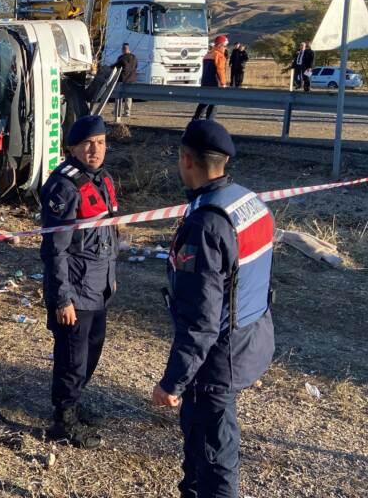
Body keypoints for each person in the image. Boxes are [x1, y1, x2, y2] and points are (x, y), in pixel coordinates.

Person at [151, 120, 275, 498]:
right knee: (201, 439)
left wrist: (173, 381)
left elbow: (201, 321)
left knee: (215, 455)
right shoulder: (249, 202)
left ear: (187, 160)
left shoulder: (206, 224)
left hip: (219, 358)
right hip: (253, 336)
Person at [40, 115, 119, 450]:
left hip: (99, 286)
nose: (94, 149)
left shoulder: (101, 179)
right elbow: (54, 250)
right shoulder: (64, 187)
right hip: (75, 289)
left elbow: (109, 232)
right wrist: (62, 299)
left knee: (92, 349)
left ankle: (74, 402)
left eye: (100, 142)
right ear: (72, 147)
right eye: (87, 143)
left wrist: (111, 280)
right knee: (72, 355)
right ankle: (63, 420)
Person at [193, 35, 229, 121]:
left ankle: (195, 120)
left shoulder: (208, 54)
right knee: (214, 103)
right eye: (225, 45)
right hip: (215, 83)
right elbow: (220, 71)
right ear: (220, 45)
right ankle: (209, 121)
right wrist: (223, 83)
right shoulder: (219, 56)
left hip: (205, 82)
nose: (225, 48)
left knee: (203, 102)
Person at [112, 42, 138, 118]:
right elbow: (136, 66)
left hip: (122, 79)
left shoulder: (121, 58)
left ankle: (117, 111)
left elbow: (115, 67)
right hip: (132, 79)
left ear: (123, 49)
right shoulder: (134, 57)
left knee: (119, 96)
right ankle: (127, 112)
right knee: (128, 97)